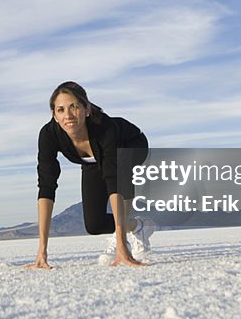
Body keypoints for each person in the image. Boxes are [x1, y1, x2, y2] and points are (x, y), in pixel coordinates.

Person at [28, 81, 153, 269]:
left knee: (121, 169)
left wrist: (121, 248)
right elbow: (46, 186)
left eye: (74, 107)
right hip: (93, 161)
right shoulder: (48, 135)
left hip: (131, 146)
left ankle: (122, 242)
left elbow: (114, 180)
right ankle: (139, 226)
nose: (68, 115)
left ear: (87, 109)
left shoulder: (105, 127)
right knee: (94, 225)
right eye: (60, 110)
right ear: (54, 115)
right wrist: (41, 251)